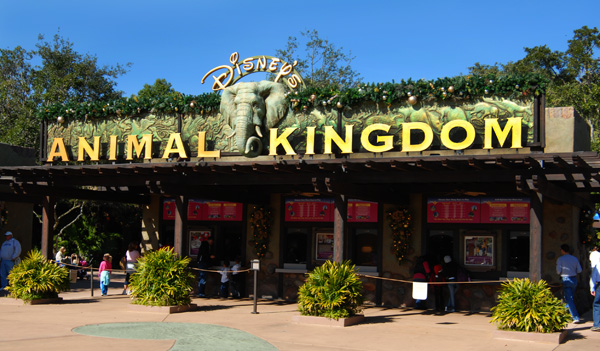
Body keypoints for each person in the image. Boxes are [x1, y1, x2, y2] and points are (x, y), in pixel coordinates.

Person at [556, 244, 582, 323]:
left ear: (562, 250)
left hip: (565, 278)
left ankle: (575, 317)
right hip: (574, 279)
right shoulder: (574, 259)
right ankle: (567, 315)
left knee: (568, 299)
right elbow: (579, 270)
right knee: (569, 298)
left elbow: (558, 271)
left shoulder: (560, 259)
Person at [590, 246, 600, 332]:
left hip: (599, 285)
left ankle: (597, 324)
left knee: (597, 304)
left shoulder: (597, 265)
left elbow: (593, 276)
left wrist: (592, 288)